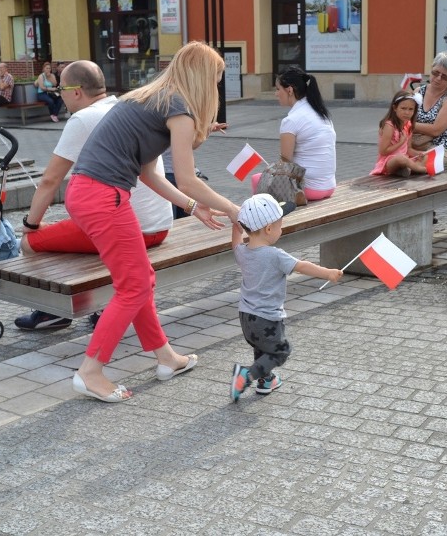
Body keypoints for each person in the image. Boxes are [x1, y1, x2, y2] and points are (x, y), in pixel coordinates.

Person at [65, 41, 241, 402]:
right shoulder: (178, 108)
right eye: (217, 81)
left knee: (139, 279)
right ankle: (90, 371)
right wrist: (239, 212)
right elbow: (188, 179)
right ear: (204, 78)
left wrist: (193, 207)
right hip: (104, 197)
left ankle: (166, 358)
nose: (217, 89)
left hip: (89, 193)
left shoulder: (150, 99)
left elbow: (149, 174)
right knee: (134, 285)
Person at [16, 60, 174, 331]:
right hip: (161, 224)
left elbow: (50, 180)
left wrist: (31, 225)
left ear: (76, 91)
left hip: (134, 227)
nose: (60, 94)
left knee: (31, 244)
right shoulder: (126, 107)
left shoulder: (83, 118)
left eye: (61, 88)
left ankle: (53, 312)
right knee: (80, 232)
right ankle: (100, 305)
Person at [229, 193, 342, 402]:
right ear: (269, 229)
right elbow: (302, 266)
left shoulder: (243, 252)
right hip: (267, 318)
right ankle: (248, 375)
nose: (282, 229)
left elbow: (235, 243)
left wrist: (235, 227)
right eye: (280, 225)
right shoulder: (275, 255)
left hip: (246, 317)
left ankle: (266, 380)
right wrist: (327, 273)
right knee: (281, 351)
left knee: (263, 348)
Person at [251, 66, 337, 201]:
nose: (276, 94)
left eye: (278, 89)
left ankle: (268, 221)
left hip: (309, 189)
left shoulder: (291, 120)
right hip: (329, 186)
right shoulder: (321, 113)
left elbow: (286, 163)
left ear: (289, 90)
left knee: (257, 179)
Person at [412, 51, 447, 166]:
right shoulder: (419, 91)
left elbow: (436, 129)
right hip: (419, 143)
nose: (438, 78)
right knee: (393, 156)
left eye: (444, 77)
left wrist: (408, 124)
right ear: (431, 69)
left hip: (445, 147)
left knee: (417, 162)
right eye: (435, 73)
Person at [371, 90, 428, 177]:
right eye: (403, 108)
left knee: (426, 155)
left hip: (405, 158)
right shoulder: (389, 126)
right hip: (389, 162)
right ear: (395, 108)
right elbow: (383, 151)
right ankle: (420, 169)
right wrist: (401, 142)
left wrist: (419, 154)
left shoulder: (408, 124)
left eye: (410, 109)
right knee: (401, 159)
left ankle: (405, 170)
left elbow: (409, 149)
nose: (407, 112)